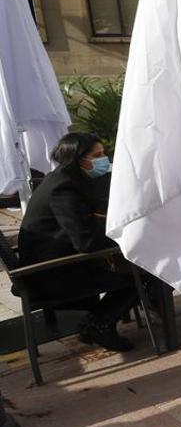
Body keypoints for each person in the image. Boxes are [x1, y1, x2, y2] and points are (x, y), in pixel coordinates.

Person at [17, 133, 139, 352]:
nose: (104, 159)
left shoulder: (66, 178)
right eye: (98, 155)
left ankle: (103, 319)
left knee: (133, 267)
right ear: (79, 158)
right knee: (139, 273)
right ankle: (98, 324)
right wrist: (124, 242)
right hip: (52, 273)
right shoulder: (64, 188)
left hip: (57, 261)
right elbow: (85, 241)